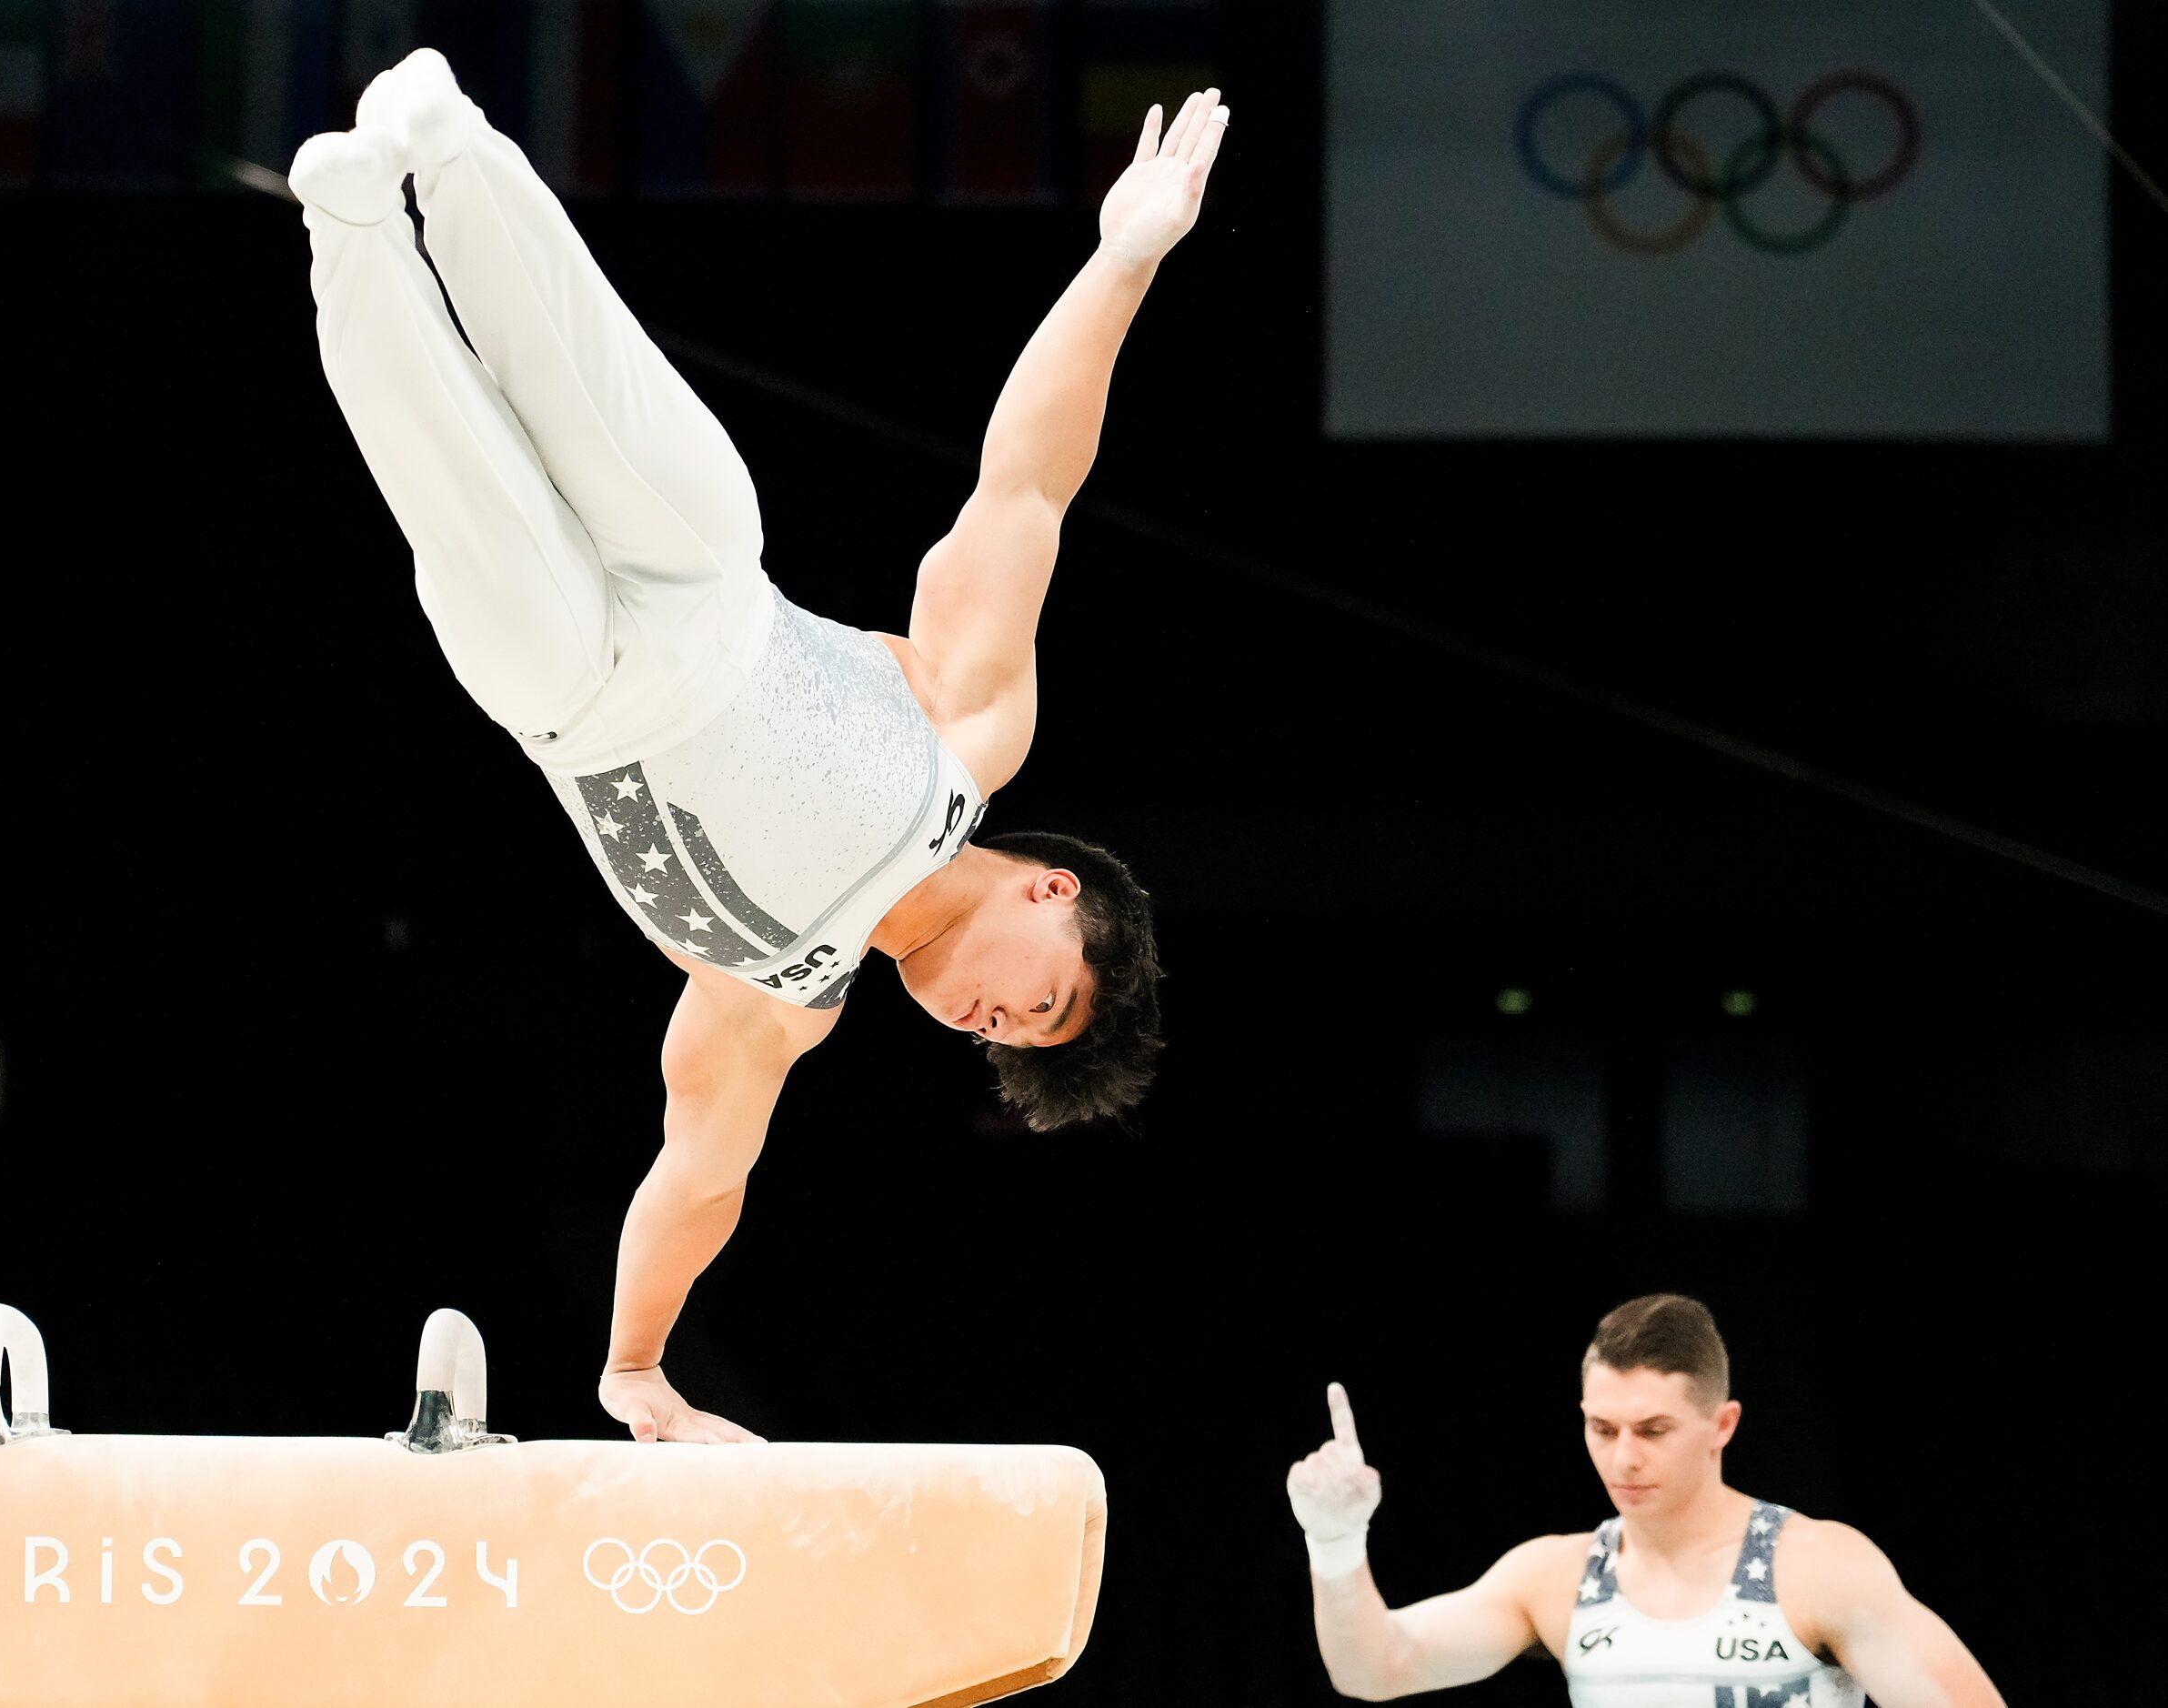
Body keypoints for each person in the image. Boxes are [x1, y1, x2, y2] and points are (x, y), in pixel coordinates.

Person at [286, 49, 1228, 1443]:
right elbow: (1027, 481)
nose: (990, 1027)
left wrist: (635, 1367)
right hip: (705, 583)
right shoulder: (971, 737)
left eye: (1007, 1043)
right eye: (1039, 1004)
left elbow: (700, 1173)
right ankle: (450, 145)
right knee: (578, 372)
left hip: (568, 699)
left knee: (439, 462)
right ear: (1054, 890)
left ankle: (351, 222)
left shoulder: (784, 998)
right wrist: (1122, 261)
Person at [1286, 1293, 2003, 1705]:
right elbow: (1374, 1669)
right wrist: (1335, 1542)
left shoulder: (1818, 1568)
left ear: (1722, 1425)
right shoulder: (1556, 1578)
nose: (1623, 1456)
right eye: (1603, 1427)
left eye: (1654, 1430)